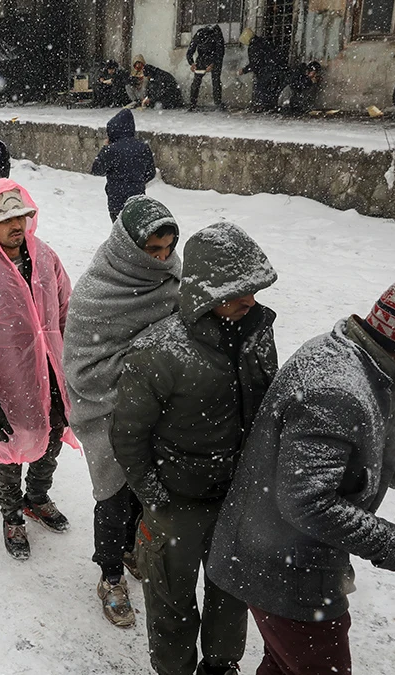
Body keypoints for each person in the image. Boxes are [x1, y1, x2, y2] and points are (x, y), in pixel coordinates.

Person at [207, 278, 395, 675]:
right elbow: (309, 503)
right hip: (284, 570)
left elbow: (352, 456)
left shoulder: (355, 361)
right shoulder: (337, 390)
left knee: (283, 664)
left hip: (275, 556)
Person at [111, 222, 278, 675]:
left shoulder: (257, 331)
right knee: (170, 600)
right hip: (175, 503)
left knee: (232, 593)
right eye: (238, 291)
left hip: (238, 500)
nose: (251, 300)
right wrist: (154, 494)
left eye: (255, 290)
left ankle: (221, 666)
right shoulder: (158, 351)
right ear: (206, 290)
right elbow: (127, 434)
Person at [63, 195, 181, 628]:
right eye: (153, 251)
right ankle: (109, 575)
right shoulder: (98, 291)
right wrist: (144, 364)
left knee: (142, 491)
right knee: (113, 497)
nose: (163, 259)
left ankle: (132, 550)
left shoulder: (170, 279)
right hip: (106, 415)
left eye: (168, 249)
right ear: (130, 248)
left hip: (154, 413)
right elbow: (82, 367)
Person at [0, 178, 79, 560]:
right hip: (10, 383)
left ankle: (36, 498)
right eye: (5, 219)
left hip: (52, 374)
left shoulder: (45, 258)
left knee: (52, 437)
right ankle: (12, 516)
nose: (15, 225)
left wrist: (74, 365)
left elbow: (67, 312)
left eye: (21, 216)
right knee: (9, 453)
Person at [91, 109, 157, 222]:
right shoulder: (143, 147)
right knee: (137, 234)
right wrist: (137, 181)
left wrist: (105, 149)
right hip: (138, 200)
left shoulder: (111, 150)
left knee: (121, 234)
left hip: (117, 201)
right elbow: (151, 173)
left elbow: (96, 169)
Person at [239, 28, 287, 113]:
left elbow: (255, 63)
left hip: (266, 71)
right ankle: (271, 107)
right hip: (276, 68)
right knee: (272, 90)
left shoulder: (253, 46)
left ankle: (263, 107)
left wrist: (244, 70)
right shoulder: (262, 41)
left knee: (261, 89)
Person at [187, 24, 225, 110]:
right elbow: (190, 51)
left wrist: (213, 64)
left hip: (215, 57)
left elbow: (220, 52)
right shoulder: (198, 35)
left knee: (216, 80)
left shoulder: (217, 35)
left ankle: (218, 103)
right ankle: (192, 104)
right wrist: (192, 63)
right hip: (201, 57)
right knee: (196, 81)